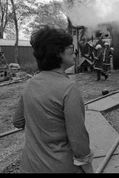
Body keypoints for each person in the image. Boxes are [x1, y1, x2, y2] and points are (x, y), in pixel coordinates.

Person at [12, 25, 94, 173]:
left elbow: (18, 121)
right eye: (70, 46)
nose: (74, 51)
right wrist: (88, 168)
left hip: (29, 166)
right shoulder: (69, 88)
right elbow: (78, 140)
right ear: (58, 53)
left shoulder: (29, 84)